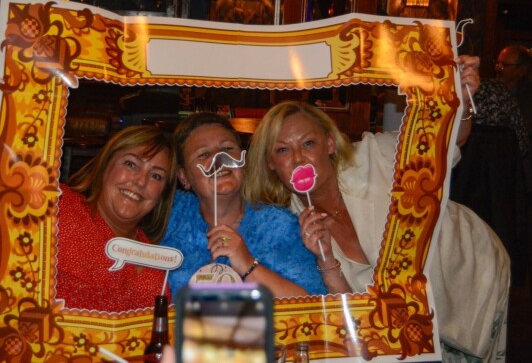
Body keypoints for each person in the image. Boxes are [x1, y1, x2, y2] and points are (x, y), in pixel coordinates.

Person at [244, 56, 511, 362]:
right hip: (416, 326)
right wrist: (326, 259)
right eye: (282, 150)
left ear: (329, 144)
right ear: (270, 163)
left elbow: (449, 141)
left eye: (308, 144)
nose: (298, 158)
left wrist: (459, 102)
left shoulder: (377, 155)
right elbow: (351, 317)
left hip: (473, 270)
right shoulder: (290, 229)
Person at [0, 68, 178, 362]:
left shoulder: (156, 266)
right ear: (105, 165)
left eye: (156, 176)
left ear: (162, 194)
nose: (140, 181)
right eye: (131, 164)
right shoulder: (56, 206)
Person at [161, 112, 350, 299]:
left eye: (227, 149)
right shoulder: (167, 223)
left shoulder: (280, 227)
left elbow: (310, 305)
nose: (220, 160)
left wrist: (248, 265)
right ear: (183, 177)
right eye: (204, 154)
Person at [494, 44, 532, 136]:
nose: (498, 68)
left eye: (504, 65)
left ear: (522, 70)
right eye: (498, 63)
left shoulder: (528, 97)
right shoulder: (490, 91)